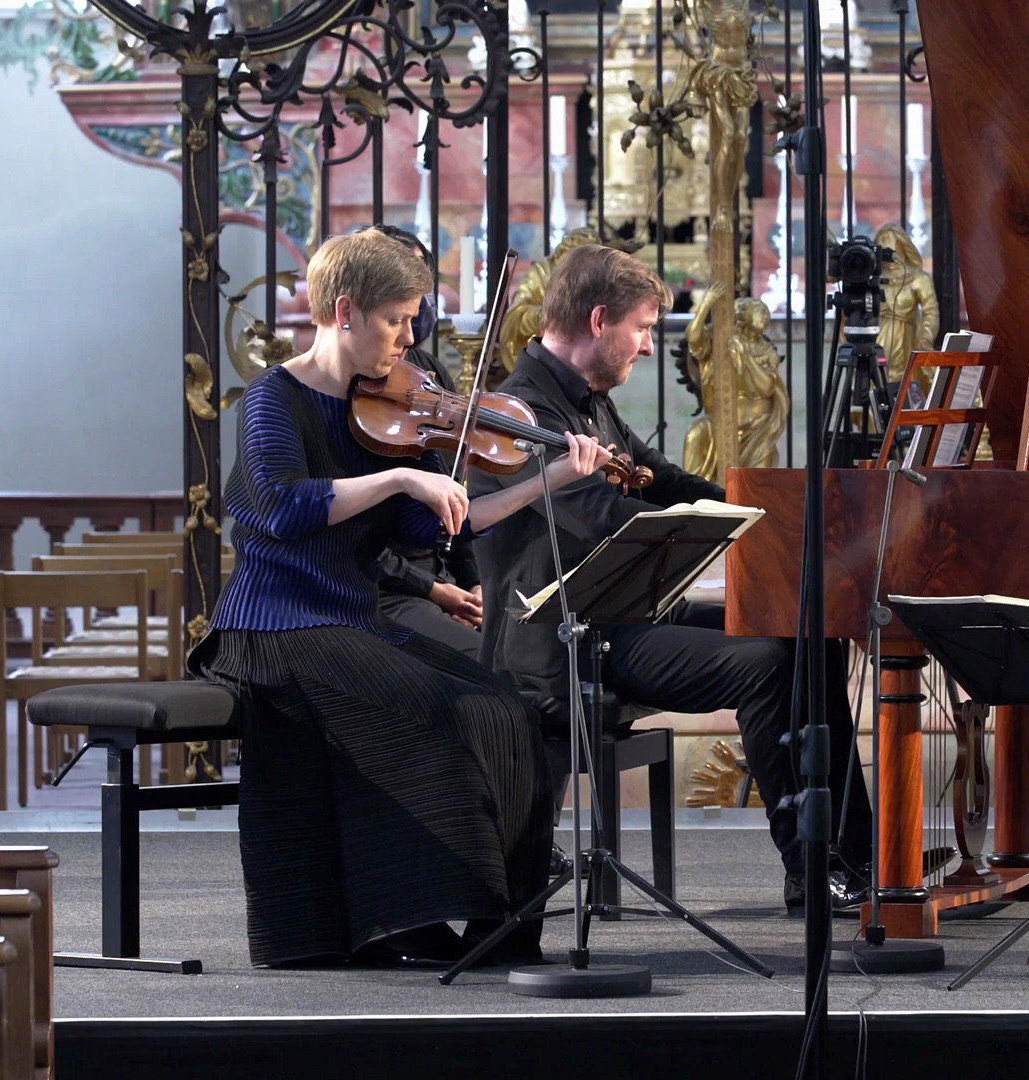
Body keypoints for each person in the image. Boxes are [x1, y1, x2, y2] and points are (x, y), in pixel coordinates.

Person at [189, 228, 610, 968]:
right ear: (345, 311)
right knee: (438, 711)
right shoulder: (272, 401)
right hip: (275, 623)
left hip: (348, 617)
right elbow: (283, 508)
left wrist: (522, 475)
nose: (410, 337)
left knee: (507, 710)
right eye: (398, 320)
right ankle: (411, 912)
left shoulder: (392, 407)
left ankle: (502, 929)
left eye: (413, 320)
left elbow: (433, 524)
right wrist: (399, 477)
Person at [471, 244, 873, 914]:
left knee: (807, 632)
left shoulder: (589, 404)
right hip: (563, 643)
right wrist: (702, 528)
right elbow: (601, 516)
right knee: (769, 663)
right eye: (644, 328)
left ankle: (853, 858)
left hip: (624, 619)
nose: (650, 347)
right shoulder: (519, 415)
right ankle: (809, 869)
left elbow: (660, 476)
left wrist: (760, 518)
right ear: (600, 320)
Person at [365, 224, 486, 659]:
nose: (410, 331)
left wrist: (471, 580)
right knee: (496, 672)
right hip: (385, 588)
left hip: (434, 578)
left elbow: (453, 485)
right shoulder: (351, 387)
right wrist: (436, 591)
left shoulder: (427, 371)